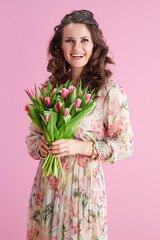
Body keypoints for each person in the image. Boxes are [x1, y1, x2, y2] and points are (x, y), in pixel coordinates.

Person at [25, 9, 134, 240]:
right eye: (69, 40)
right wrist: (41, 146)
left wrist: (81, 147)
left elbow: (125, 145)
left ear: (94, 45)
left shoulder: (109, 92)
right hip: (47, 190)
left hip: (83, 192)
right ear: (60, 47)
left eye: (84, 40)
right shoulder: (50, 89)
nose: (77, 48)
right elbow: (32, 139)